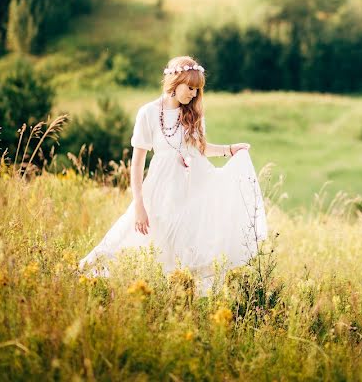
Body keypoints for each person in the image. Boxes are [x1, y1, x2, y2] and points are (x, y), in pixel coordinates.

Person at [78, 55, 269, 298]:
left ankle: (179, 296)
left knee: (189, 243)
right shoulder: (148, 113)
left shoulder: (193, 115)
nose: (193, 94)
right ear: (175, 82)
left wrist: (230, 150)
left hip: (193, 186)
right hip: (161, 188)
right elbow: (137, 163)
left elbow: (200, 148)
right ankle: (89, 278)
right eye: (190, 88)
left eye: (197, 90)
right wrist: (139, 204)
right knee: (136, 236)